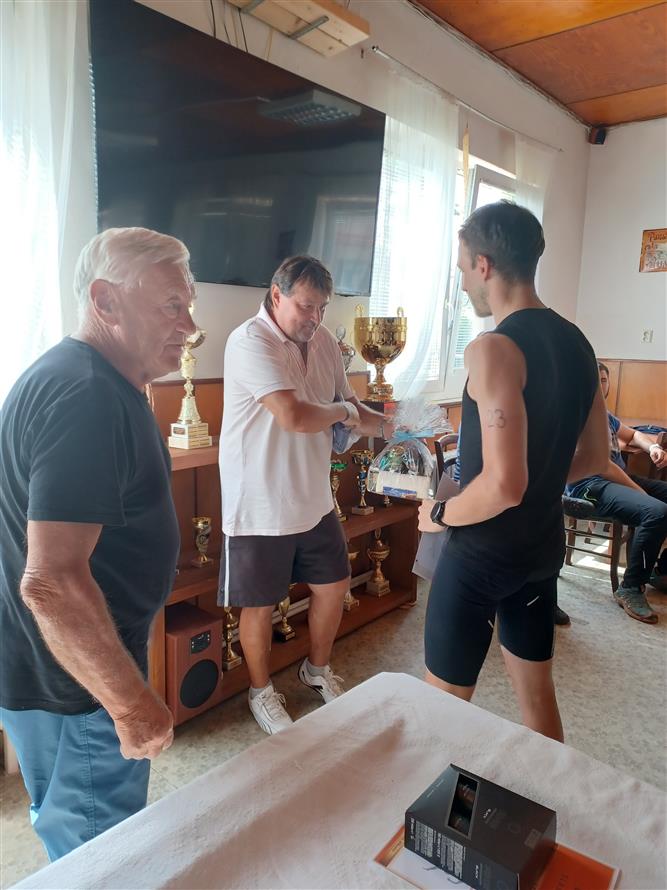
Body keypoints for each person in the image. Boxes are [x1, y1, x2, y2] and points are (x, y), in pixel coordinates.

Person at [0, 227, 197, 860]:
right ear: (105, 301)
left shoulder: (89, 379)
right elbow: (50, 582)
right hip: (77, 689)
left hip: (64, 672)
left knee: (74, 835)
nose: (190, 326)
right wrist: (130, 705)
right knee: (98, 856)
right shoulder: (85, 396)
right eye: (172, 305)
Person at [418, 201, 608, 742]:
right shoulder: (579, 344)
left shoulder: (493, 349)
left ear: (484, 265)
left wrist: (440, 513)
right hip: (539, 552)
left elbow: (504, 485)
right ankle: (549, 794)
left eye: (462, 269)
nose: (462, 284)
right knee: (537, 698)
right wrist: (540, 479)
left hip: (481, 555)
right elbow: (596, 458)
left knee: (440, 706)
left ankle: (432, 799)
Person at [218, 255, 390, 735]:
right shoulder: (249, 341)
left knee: (333, 586)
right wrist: (346, 414)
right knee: (259, 605)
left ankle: (316, 669)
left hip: (314, 499)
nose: (315, 318)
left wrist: (392, 426)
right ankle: (260, 691)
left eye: (322, 308)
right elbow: (294, 416)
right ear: (277, 295)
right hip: (259, 503)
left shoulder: (326, 342)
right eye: (306, 306)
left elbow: (348, 403)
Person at [564, 362, 667, 623]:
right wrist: (640, 491)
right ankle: (630, 588)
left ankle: (662, 571)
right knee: (655, 511)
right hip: (588, 486)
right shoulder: (578, 414)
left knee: (656, 505)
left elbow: (631, 435)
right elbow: (602, 464)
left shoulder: (605, 415)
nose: (600, 385)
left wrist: (652, 447)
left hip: (616, 479)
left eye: (604, 380)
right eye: (595, 379)